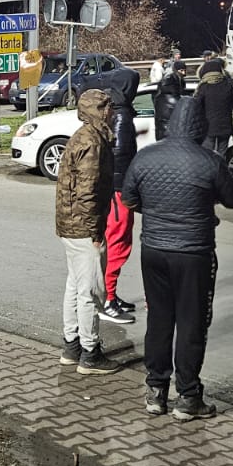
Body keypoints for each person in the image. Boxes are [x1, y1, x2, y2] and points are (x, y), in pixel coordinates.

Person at [122, 95, 233, 420]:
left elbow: (130, 198)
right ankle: (188, 396)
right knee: (191, 323)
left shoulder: (145, 158)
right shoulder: (210, 160)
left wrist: (159, 211)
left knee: (159, 319)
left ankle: (156, 391)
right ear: (200, 126)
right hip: (194, 252)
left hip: (155, 251)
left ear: (170, 123)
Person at [56, 87, 120, 375]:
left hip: (70, 225)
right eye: (110, 108)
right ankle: (90, 354)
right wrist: (96, 232)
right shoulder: (92, 142)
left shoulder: (81, 137)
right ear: (101, 111)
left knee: (74, 286)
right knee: (90, 291)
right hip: (84, 227)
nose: (115, 113)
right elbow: (87, 191)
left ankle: (71, 346)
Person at [92, 67, 140, 323]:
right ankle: (108, 300)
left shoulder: (114, 110)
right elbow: (119, 155)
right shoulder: (120, 115)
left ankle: (111, 294)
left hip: (116, 189)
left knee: (116, 242)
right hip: (119, 191)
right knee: (118, 242)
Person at [194, 58, 233, 158]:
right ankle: (220, 171)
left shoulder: (203, 87)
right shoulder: (227, 85)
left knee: (207, 154)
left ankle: (210, 172)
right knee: (222, 154)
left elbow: (196, 105)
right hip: (225, 126)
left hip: (208, 128)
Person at [153, 52, 186, 142]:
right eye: (181, 70)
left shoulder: (160, 96)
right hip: (172, 138)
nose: (184, 73)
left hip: (163, 138)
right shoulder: (176, 100)